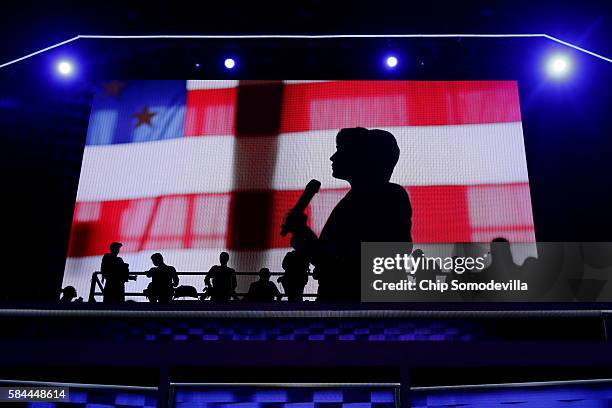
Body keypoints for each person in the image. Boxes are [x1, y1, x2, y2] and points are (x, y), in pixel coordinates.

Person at [283, 127, 412, 302]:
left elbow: (346, 264)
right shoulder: (361, 199)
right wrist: (303, 233)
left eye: (341, 150)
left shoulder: (386, 197)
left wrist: (304, 236)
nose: (333, 157)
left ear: (363, 158)